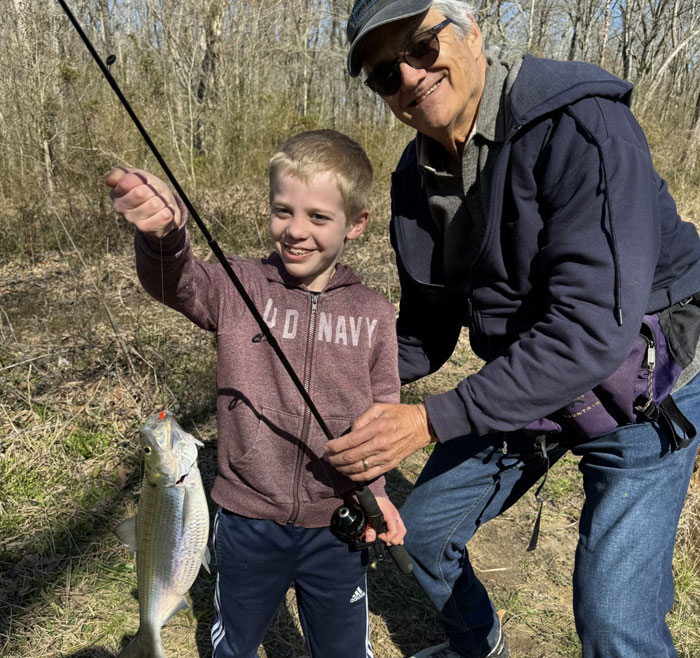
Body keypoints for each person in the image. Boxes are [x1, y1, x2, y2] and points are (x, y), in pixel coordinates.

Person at [323, 2, 700, 657]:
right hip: (528, 382)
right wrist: (338, 364)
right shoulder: (415, 184)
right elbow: (425, 332)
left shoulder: (580, 125)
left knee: (614, 621)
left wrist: (426, 421)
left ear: (470, 32)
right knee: (424, 533)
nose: (409, 77)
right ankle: (479, 646)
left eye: (419, 47)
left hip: (645, 384)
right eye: (386, 74)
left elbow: (590, 331)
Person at [106, 129, 407, 658]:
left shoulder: (375, 314)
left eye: (318, 217)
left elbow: (384, 418)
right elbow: (176, 283)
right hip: (246, 520)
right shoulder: (236, 285)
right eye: (282, 210)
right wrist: (165, 237)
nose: (294, 231)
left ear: (356, 224)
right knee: (234, 645)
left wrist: (377, 491)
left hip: (336, 523)